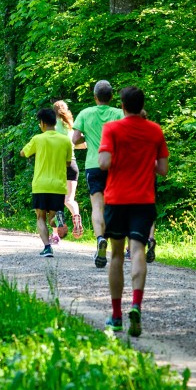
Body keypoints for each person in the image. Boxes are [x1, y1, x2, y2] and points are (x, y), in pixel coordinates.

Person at [98, 86, 169, 338]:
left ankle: (116, 315)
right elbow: (162, 169)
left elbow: (104, 163)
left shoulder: (112, 129)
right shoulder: (155, 130)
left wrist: (119, 156)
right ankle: (136, 305)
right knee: (137, 250)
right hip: (143, 199)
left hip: (117, 199)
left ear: (123, 105)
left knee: (116, 256)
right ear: (142, 105)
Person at [71, 80, 123, 268]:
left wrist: (89, 137)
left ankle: (101, 238)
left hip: (94, 165)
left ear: (95, 97)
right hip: (116, 166)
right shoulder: (119, 114)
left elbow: (75, 139)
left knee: (97, 206)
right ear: (111, 97)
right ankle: (122, 245)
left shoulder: (85, 113)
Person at [20, 107, 77, 257]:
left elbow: (23, 153)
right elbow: (67, 163)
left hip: (41, 185)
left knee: (41, 218)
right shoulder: (65, 140)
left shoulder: (38, 139)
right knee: (52, 217)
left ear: (43, 123)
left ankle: (47, 248)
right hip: (58, 186)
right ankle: (59, 222)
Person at [53, 99, 86, 241]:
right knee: (69, 199)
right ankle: (76, 219)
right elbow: (83, 145)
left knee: (56, 199)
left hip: (57, 165)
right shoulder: (71, 126)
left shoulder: (52, 127)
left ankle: (57, 230)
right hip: (72, 164)